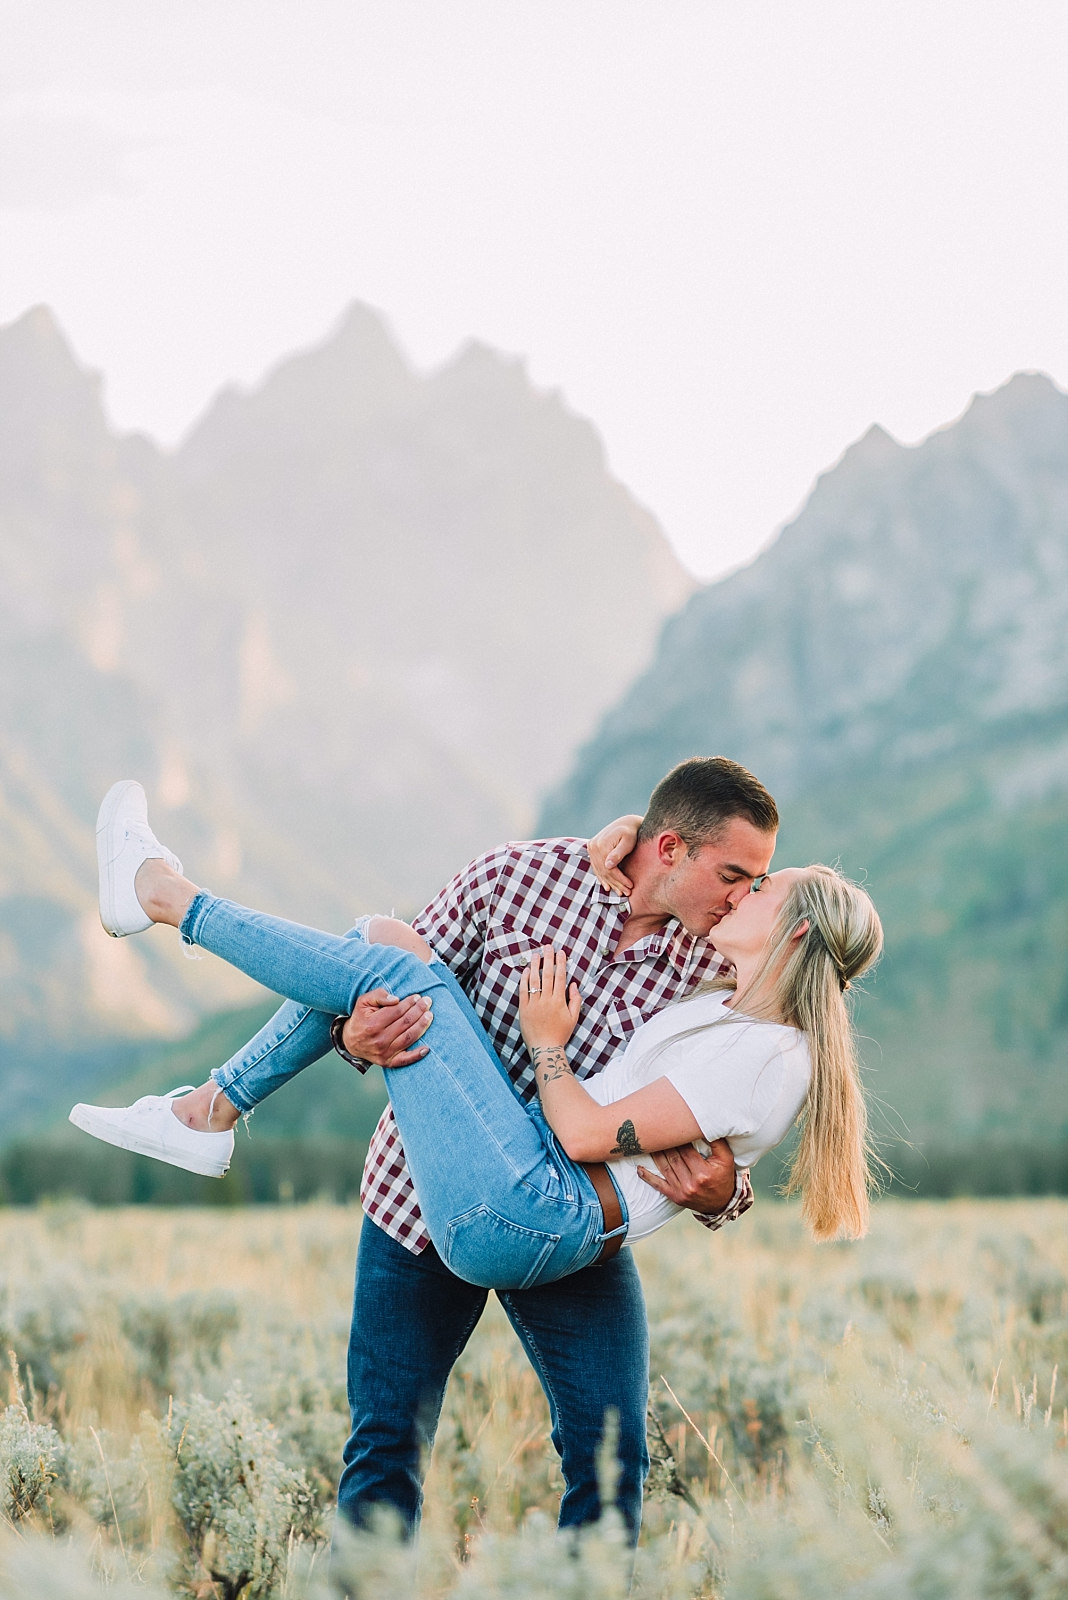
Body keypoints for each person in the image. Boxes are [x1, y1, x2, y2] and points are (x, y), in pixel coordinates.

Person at [76, 758, 790, 1540]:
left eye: (755, 883)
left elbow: (735, 1099)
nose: (743, 896)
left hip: (564, 1214)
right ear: (669, 848)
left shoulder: (721, 968)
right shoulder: (518, 876)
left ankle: (200, 1076)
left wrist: (730, 1193)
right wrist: (357, 1037)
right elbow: (372, 986)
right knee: (385, 1446)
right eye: (733, 874)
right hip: (415, 1198)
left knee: (612, 1459)